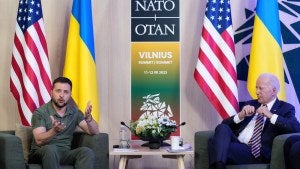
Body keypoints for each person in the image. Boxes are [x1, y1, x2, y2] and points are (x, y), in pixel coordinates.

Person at [208, 73, 300, 169]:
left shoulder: (285, 108)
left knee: (215, 145)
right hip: (239, 144)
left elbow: (296, 127)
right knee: (222, 129)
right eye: (256, 88)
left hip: (256, 152)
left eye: (261, 88)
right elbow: (223, 126)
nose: (257, 92)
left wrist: (270, 115)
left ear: (274, 90)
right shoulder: (250, 104)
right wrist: (240, 115)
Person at [28, 77, 99, 169]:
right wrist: (54, 131)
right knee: (51, 149)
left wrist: (89, 119)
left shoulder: (75, 112)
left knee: (86, 152)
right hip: (42, 153)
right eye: (58, 91)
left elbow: (94, 131)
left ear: (70, 94)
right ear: (51, 92)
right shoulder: (40, 112)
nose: (61, 95)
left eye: (66, 92)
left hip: (64, 153)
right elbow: (39, 140)